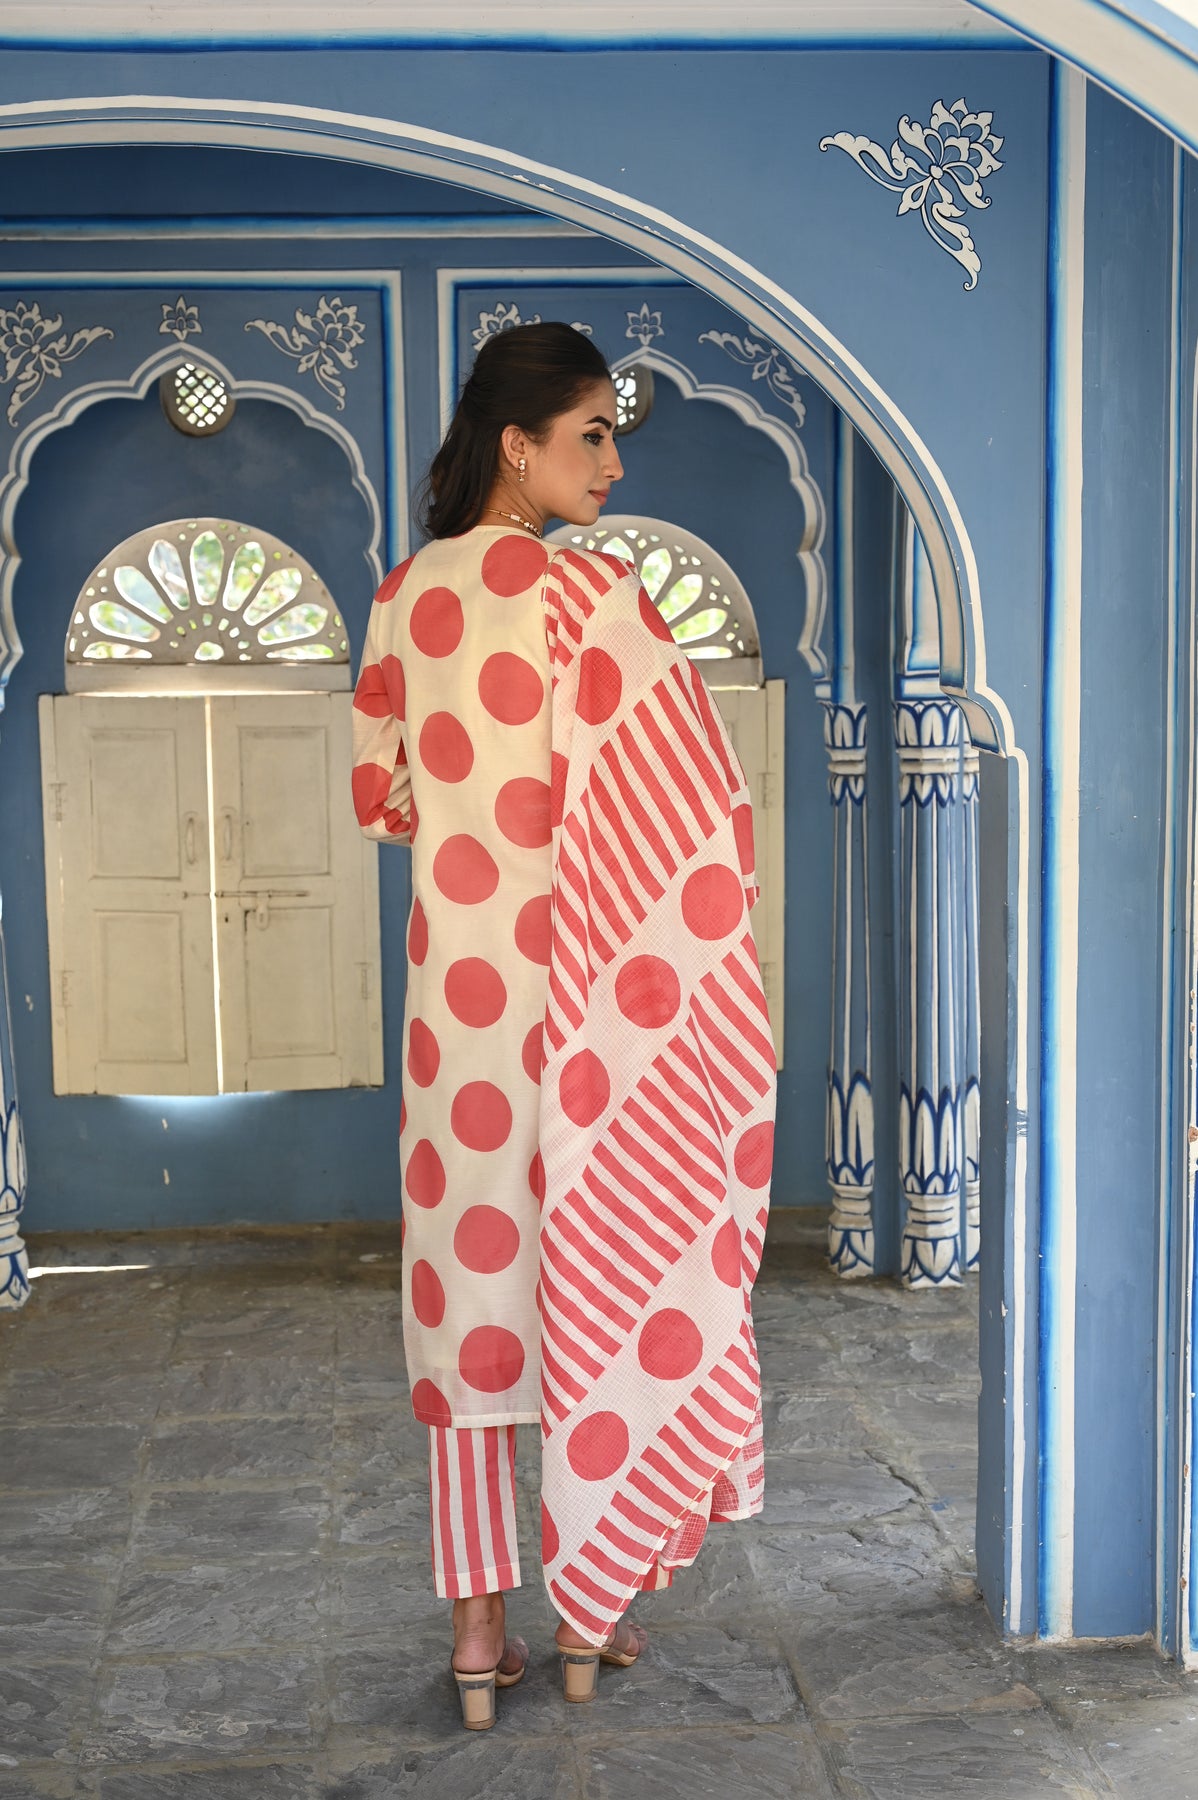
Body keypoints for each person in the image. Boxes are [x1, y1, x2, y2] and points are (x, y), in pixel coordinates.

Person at [352, 322, 776, 1730]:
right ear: (517, 444)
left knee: (473, 1313)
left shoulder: (403, 596)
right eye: (592, 433)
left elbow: (383, 803)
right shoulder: (593, 597)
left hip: (458, 1028)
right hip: (602, 1030)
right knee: (615, 1270)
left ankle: (480, 1638)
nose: (613, 462)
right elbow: (695, 815)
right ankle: (591, 1613)